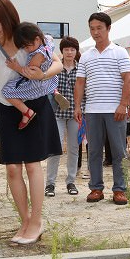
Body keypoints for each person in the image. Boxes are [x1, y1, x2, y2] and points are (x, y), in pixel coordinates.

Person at [0, 0, 63, 245]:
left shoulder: (26, 36)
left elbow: (57, 63)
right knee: (12, 168)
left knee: (33, 165)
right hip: (8, 107)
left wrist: (42, 73)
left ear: (9, 18)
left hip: (35, 104)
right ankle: (25, 221)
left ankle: (37, 220)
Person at [74, 12, 130, 206]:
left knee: (118, 151)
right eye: (92, 28)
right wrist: (77, 106)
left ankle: (120, 190)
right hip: (92, 110)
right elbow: (80, 83)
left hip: (115, 109)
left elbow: (127, 79)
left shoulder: (120, 52)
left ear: (108, 28)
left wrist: (123, 104)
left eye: (99, 28)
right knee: (94, 151)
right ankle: (96, 188)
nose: (95, 32)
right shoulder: (86, 56)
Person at [2, 23, 58, 129]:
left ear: (37, 39)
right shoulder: (47, 40)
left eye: (27, 46)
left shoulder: (37, 56)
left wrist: (16, 67)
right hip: (49, 80)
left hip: (37, 85)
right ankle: (54, 91)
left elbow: (29, 74)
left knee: (6, 91)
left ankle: (27, 112)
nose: (26, 50)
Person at [45, 36, 81, 197]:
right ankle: (50, 184)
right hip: (56, 113)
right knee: (55, 148)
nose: (69, 52)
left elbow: (84, 92)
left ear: (76, 51)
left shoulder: (81, 69)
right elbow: (46, 87)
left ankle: (71, 181)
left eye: (72, 49)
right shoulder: (55, 67)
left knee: (74, 148)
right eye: (66, 49)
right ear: (62, 51)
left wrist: (82, 110)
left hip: (75, 113)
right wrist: (55, 92)